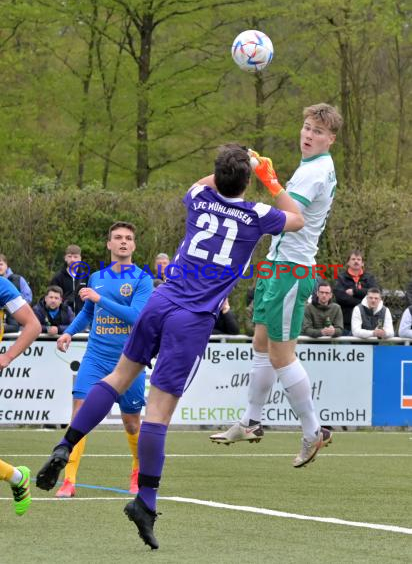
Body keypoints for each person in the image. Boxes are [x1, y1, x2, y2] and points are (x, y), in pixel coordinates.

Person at [36, 143, 304, 549]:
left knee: (118, 377)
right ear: (247, 182)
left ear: (217, 175)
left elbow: (205, 181)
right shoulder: (257, 214)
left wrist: (235, 166)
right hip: (192, 318)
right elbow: (298, 219)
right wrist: (268, 177)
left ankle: (66, 444)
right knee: (158, 412)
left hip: (163, 300)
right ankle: (145, 501)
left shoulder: (199, 197)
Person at [210, 104, 342, 468]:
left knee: (282, 356)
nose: (308, 134)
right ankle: (252, 421)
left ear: (331, 139)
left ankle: (313, 430)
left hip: (291, 269)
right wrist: (272, 179)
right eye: (305, 127)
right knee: (261, 343)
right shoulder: (313, 167)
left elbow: (293, 218)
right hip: (277, 264)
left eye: (317, 131)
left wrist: (269, 182)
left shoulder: (316, 171)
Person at [51, 222, 152, 498]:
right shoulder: (96, 277)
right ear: (108, 244)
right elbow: (87, 312)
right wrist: (69, 333)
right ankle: (69, 481)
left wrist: (99, 299)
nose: (122, 242)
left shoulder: (142, 279)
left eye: (128, 238)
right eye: (117, 238)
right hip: (95, 357)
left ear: (133, 245)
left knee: (131, 422)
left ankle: (137, 473)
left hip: (129, 361)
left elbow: (136, 317)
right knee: (79, 413)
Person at [0, 276, 41, 515]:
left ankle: (16, 477)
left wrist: (7, 357)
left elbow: (33, 325)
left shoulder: (2, 286)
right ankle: (16, 477)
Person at [334, 250, 378, 334]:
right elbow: (340, 297)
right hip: (346, 323)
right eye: (353, 259)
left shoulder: (369, 278)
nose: (356, 261)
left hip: (366, 323)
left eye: (358, 259)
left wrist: (355, 291)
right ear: (348, 262)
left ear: (362, 263)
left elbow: (375, 294)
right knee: (345, 347)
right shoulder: (341, 277)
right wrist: (364, 302)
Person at [49, 245, 88, 315]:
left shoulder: (86, 277)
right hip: (63, 319)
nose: (72, 259)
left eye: (75, 257)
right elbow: (51, 299)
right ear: (65, 258)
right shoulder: (57, 277)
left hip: (83, 317)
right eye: (69, 256)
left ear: (80, 259)